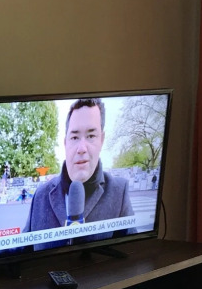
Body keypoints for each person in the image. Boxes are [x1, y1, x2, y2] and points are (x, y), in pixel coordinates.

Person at [21, 98, 134, 250]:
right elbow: (24, 249)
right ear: (65, 143)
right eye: (74, 137)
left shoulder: (119, 192)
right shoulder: (41, 195)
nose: (81, 148)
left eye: (91, 136)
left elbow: (132, 252)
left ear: (101, 140)